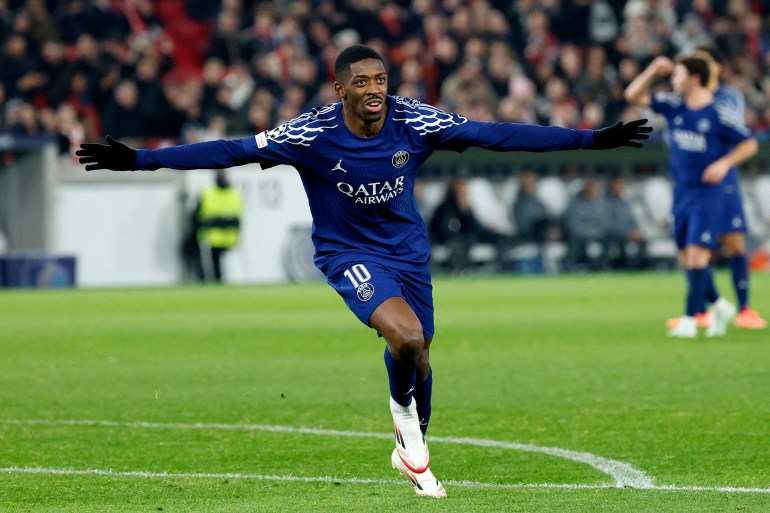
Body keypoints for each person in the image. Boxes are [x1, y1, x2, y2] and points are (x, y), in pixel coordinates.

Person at [77, 45, 652, 498]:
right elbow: (231, 149)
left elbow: (497, 134)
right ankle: (405, 426)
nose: (374, 90)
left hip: (408, 253)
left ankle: (411, 433)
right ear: (341, 88)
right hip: (347, 255)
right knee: (403, 337)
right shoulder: (310, 133)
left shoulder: (415, 122)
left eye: (380, 80)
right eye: (362, 82)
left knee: (420, 350)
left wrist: (592, 139)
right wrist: (142, 158)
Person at [624, 55, 758, 338]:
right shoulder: (674, 107)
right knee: (686, 257)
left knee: (698, 255)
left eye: (678, 74)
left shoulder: (719, 113)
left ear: (694, 78)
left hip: (708, 194)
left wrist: (725, 163)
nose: (673, 80)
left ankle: (689, 319)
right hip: (681, 192)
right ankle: (720, 305)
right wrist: (651, 70)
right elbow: (632, 94)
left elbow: (749, 144)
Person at [665, 46, 767, 330]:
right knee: (688, 249)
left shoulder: (726, 97)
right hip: (691, 183)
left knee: (733, 241)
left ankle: (744, 308)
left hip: (722, 181)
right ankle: (706, 308)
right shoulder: (682, 101)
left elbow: (736, 135)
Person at [428, 177, 505, 273]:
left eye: (465, 192)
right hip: (450, 242)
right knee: (459, 246)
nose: (463, 194)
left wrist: (466, 211)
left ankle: (502, 270)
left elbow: (476, 229)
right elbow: (443, 229)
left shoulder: (467, 209)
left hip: (469, 240)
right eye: (460, 191)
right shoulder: (444, 209)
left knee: (499, 238)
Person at [184, 169, 243, 282]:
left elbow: (195, 217)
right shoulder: (235, 195)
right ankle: (213, 279)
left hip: (211, 236)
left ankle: (203, 279)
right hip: (229, 236)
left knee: (191, 247)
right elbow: (238, 219)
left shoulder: (208, 194)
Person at [563, 176, 608, 271]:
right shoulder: (575, 204)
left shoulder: (601, 204)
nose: (592, 189)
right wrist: (589, 235)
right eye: (589, 186)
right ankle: (572, 269)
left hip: (599, 237)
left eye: (594, 186)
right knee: (574, 242)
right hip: (580, 238)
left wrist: (596, 235)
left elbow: (605, 223)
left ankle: (606, 269)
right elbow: (573, 225)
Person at [604, 174, 647, 270]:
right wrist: (626, 233)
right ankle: (621, 268)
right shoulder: (605, 203)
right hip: (613, 235)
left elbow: (632, 220)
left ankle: (640, 268)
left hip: (629, 234)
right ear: (612, 185)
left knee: (643, 240)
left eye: (622, 184)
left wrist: (636, 230)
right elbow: (606, 224)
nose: (621, 187)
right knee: (620, 244)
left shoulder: (625, 203)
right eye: (618, 184)